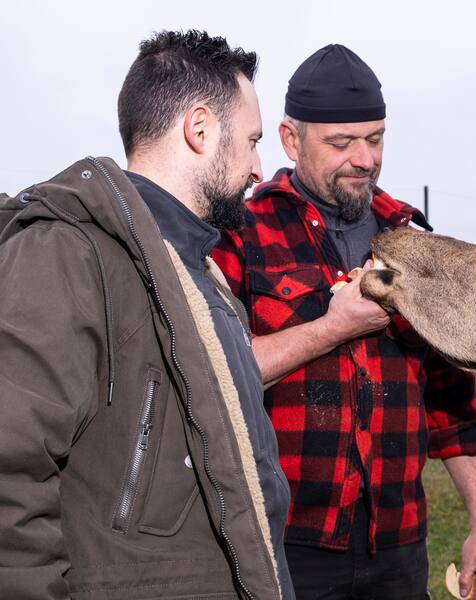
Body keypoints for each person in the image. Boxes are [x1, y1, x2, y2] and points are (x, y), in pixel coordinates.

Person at [0, 30, 293, 599]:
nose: (261, 167)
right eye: (253, 140)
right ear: (200, 129)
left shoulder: (205, 281)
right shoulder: (65, 254)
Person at [212, 44, 476, 599]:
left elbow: (453, 405)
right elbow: (216, 375)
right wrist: (332, 327)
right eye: (342, 143)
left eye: (375, 139)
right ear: (290, 140)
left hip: (399, 547)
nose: (365, 159)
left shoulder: (414, 248)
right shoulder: (240, 234)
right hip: (281, 542)